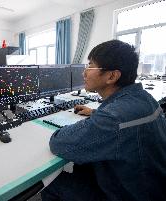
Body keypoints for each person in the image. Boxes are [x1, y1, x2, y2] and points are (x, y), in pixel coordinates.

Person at [41, 40, 166, 201]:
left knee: (52, 184)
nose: (84, 73)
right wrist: (95, 113)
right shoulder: (145, 98)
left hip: (129, 194)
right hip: (151, 185)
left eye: (90, 66)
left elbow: (59, 143)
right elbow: (125, 121)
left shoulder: (113, 118)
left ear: (112, 76)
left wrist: (97, 120)